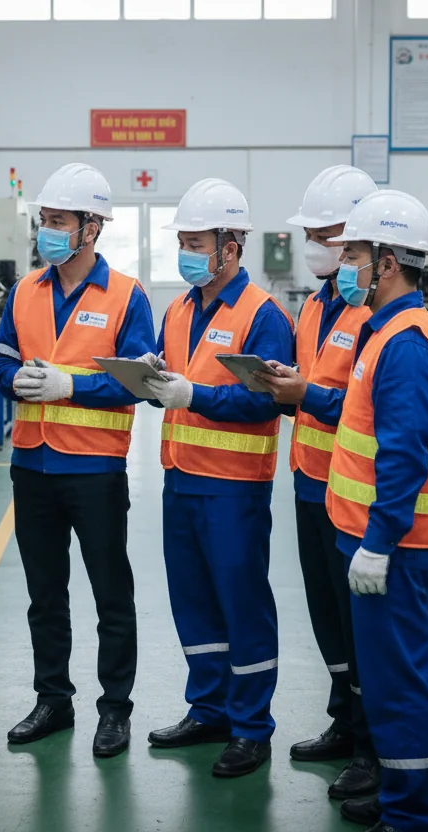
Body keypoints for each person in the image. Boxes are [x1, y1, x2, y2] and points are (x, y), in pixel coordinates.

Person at [264, 189, 428, 832]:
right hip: (369, 537)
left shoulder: (403, 342)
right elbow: (356, 423)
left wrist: (378, 541)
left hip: (395, 550)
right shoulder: (382, 332)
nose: (341, 263)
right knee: (386, 682)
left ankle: (409, 816)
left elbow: (402, 457)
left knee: (400, 687)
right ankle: (398, 802)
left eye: (351, 253)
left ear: (386, 263)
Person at [0, 163, 156, 759]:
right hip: (32, 466)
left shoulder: (127, 297)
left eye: (58, 221)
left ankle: (115, 709)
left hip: (95, 470)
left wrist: (72, 387)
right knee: (45, 594)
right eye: (45, 221)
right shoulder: (25, 291)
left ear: (91, 228)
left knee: (111, 592)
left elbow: (142, 383)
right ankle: (53, 699)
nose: (47, 232)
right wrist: (17, 381)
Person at [144, 178, 294, 779]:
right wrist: (154, 378)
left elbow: (267, 402)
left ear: (231, 247)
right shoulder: (180, 308)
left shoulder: (264, 316)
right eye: (181, 241)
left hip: (234, 486)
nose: (187, 252)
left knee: (242, 602)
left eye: (196, 241)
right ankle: (208, 708)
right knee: (193, 600)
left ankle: (252, 726)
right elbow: (172, 376)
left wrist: (193, 393)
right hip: (180, 479)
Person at [258, 166, 380, 804]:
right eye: (311, 234)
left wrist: (308, 393)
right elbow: (311, 383)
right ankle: (343, 716)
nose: (316, 246)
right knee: (327, 616)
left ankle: (370, 744)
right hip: (309, 482)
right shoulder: (316, 305)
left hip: (353, 492)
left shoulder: (371, 314)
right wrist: (284, 384)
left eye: (329, 235)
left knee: (361, 626)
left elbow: (363, 402)